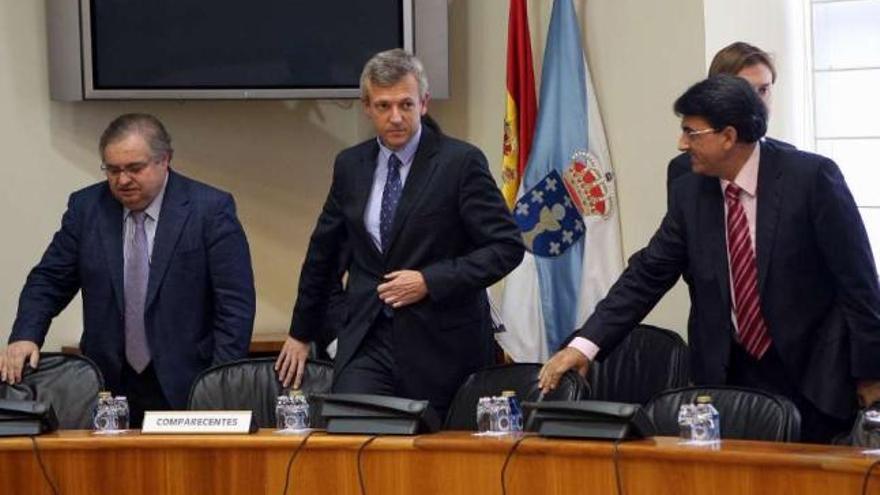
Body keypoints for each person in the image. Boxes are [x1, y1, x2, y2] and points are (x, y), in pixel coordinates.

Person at [539, 75, 880, 443]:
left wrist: (871, 373)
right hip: (727, 379)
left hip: (814, 374)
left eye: (691, 132)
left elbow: (857, 282)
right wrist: (584, 345)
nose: (681, 143)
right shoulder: (690, 192)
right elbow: (646, 274)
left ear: (728, 136)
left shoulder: (810, 178)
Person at [275, 49, 524, 418]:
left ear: (423, 103)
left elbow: (506, 247)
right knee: (350, 433)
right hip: (368, 341)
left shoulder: (460, 163)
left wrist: (429, 280)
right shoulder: (350, 166)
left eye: (406, 105)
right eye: (384, 106)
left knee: (429, 459)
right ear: (367, 107)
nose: (395, 117)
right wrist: (300, 332)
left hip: (441, 344)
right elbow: (323, 254)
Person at [1, 113, 256, 426]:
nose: (122, 180)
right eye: (113, 170)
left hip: (189, 380)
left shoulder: (210, 210)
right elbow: (49, 280)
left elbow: (235, 306)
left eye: (134, 168)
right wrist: (25, 335)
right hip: (108, 383)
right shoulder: (86, 209)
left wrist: (218, 383)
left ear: (165, 160)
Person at [668, 41, 794, 187]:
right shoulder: (685, 169)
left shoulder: (791, 161)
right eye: (745, 90)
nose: (758, 102)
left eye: (763, 90)